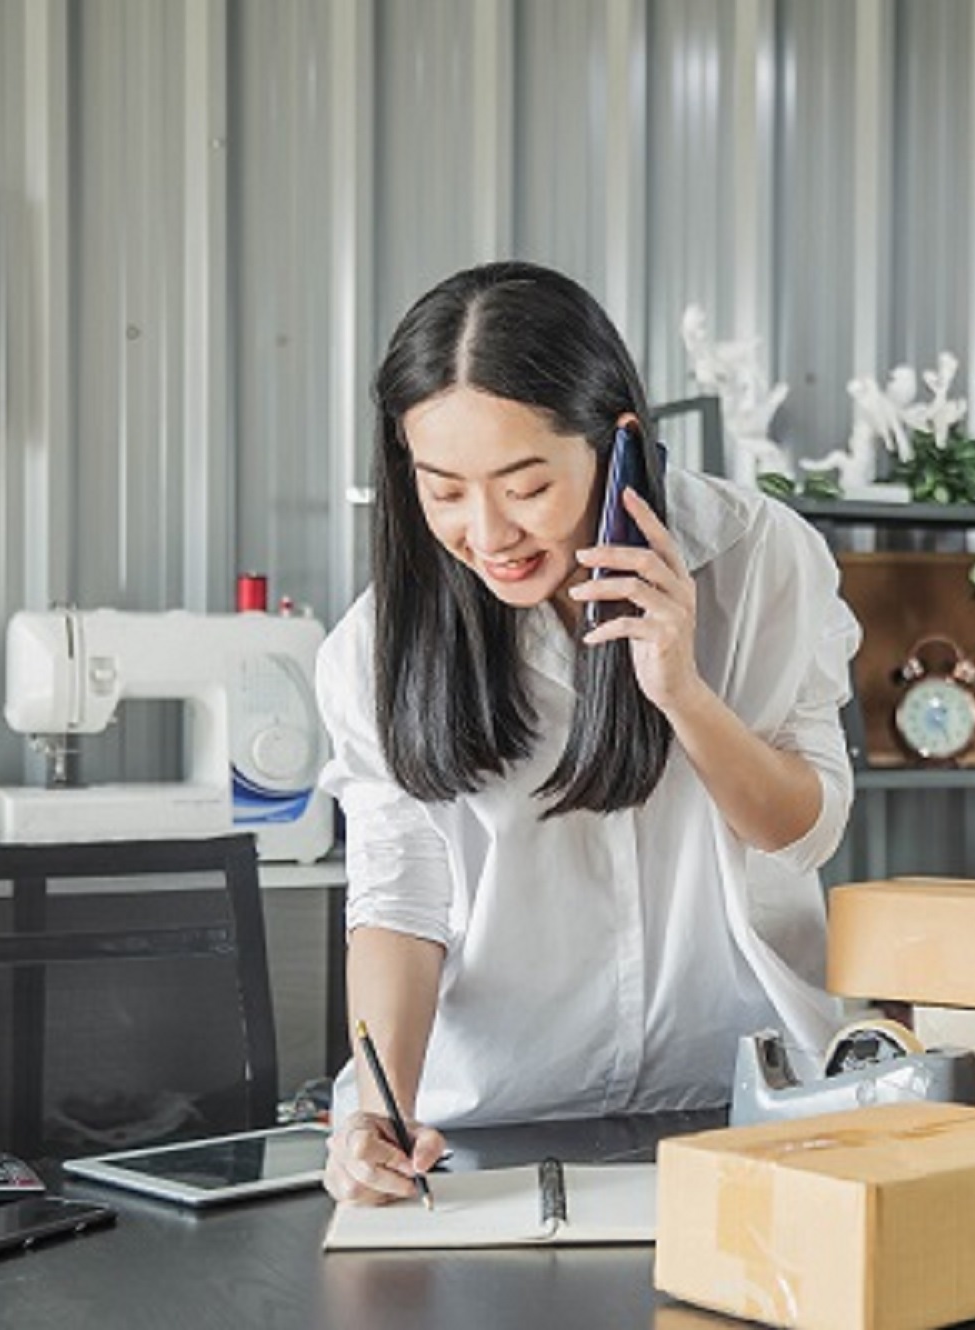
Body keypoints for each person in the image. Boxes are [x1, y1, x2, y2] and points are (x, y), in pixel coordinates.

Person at [316, 261, 860, 1204]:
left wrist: (683, 689)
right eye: (443, 491)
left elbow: (802, 831)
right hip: (491, 1125)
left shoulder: (760, 559)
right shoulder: (375, 646)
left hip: (740, 1104)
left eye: (526, 486)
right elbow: (399, 899)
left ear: (617, 446)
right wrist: (380, 1111)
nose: (487, 533)